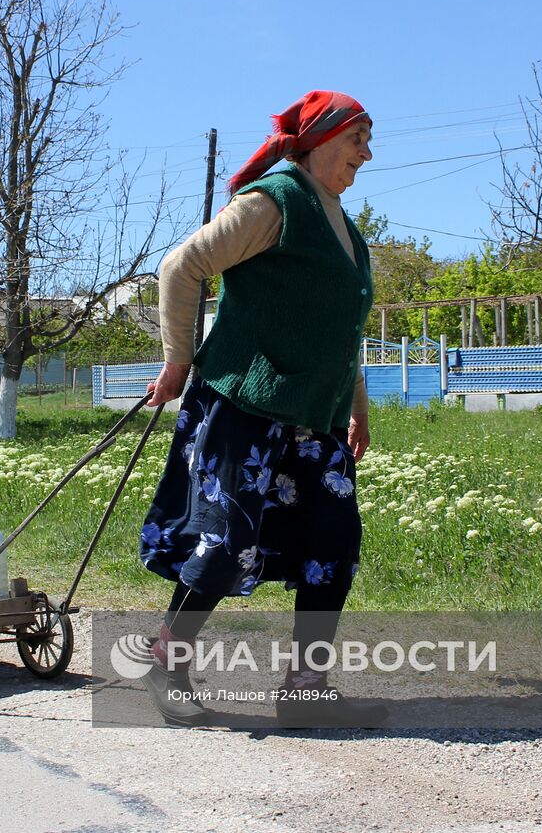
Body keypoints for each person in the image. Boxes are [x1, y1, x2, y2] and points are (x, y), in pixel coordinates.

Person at [138, 89, 385, 728]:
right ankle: (171, 662)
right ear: (322, 138)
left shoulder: (345, 228)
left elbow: (340, 328)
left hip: (315, 418)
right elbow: (181, 267)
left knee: (333, 542)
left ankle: (306, 689)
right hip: (245, 408)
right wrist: (178, 360)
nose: (366, 151)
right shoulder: (275, 201)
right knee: (225, 545)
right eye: (357, 136)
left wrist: (355, 404)